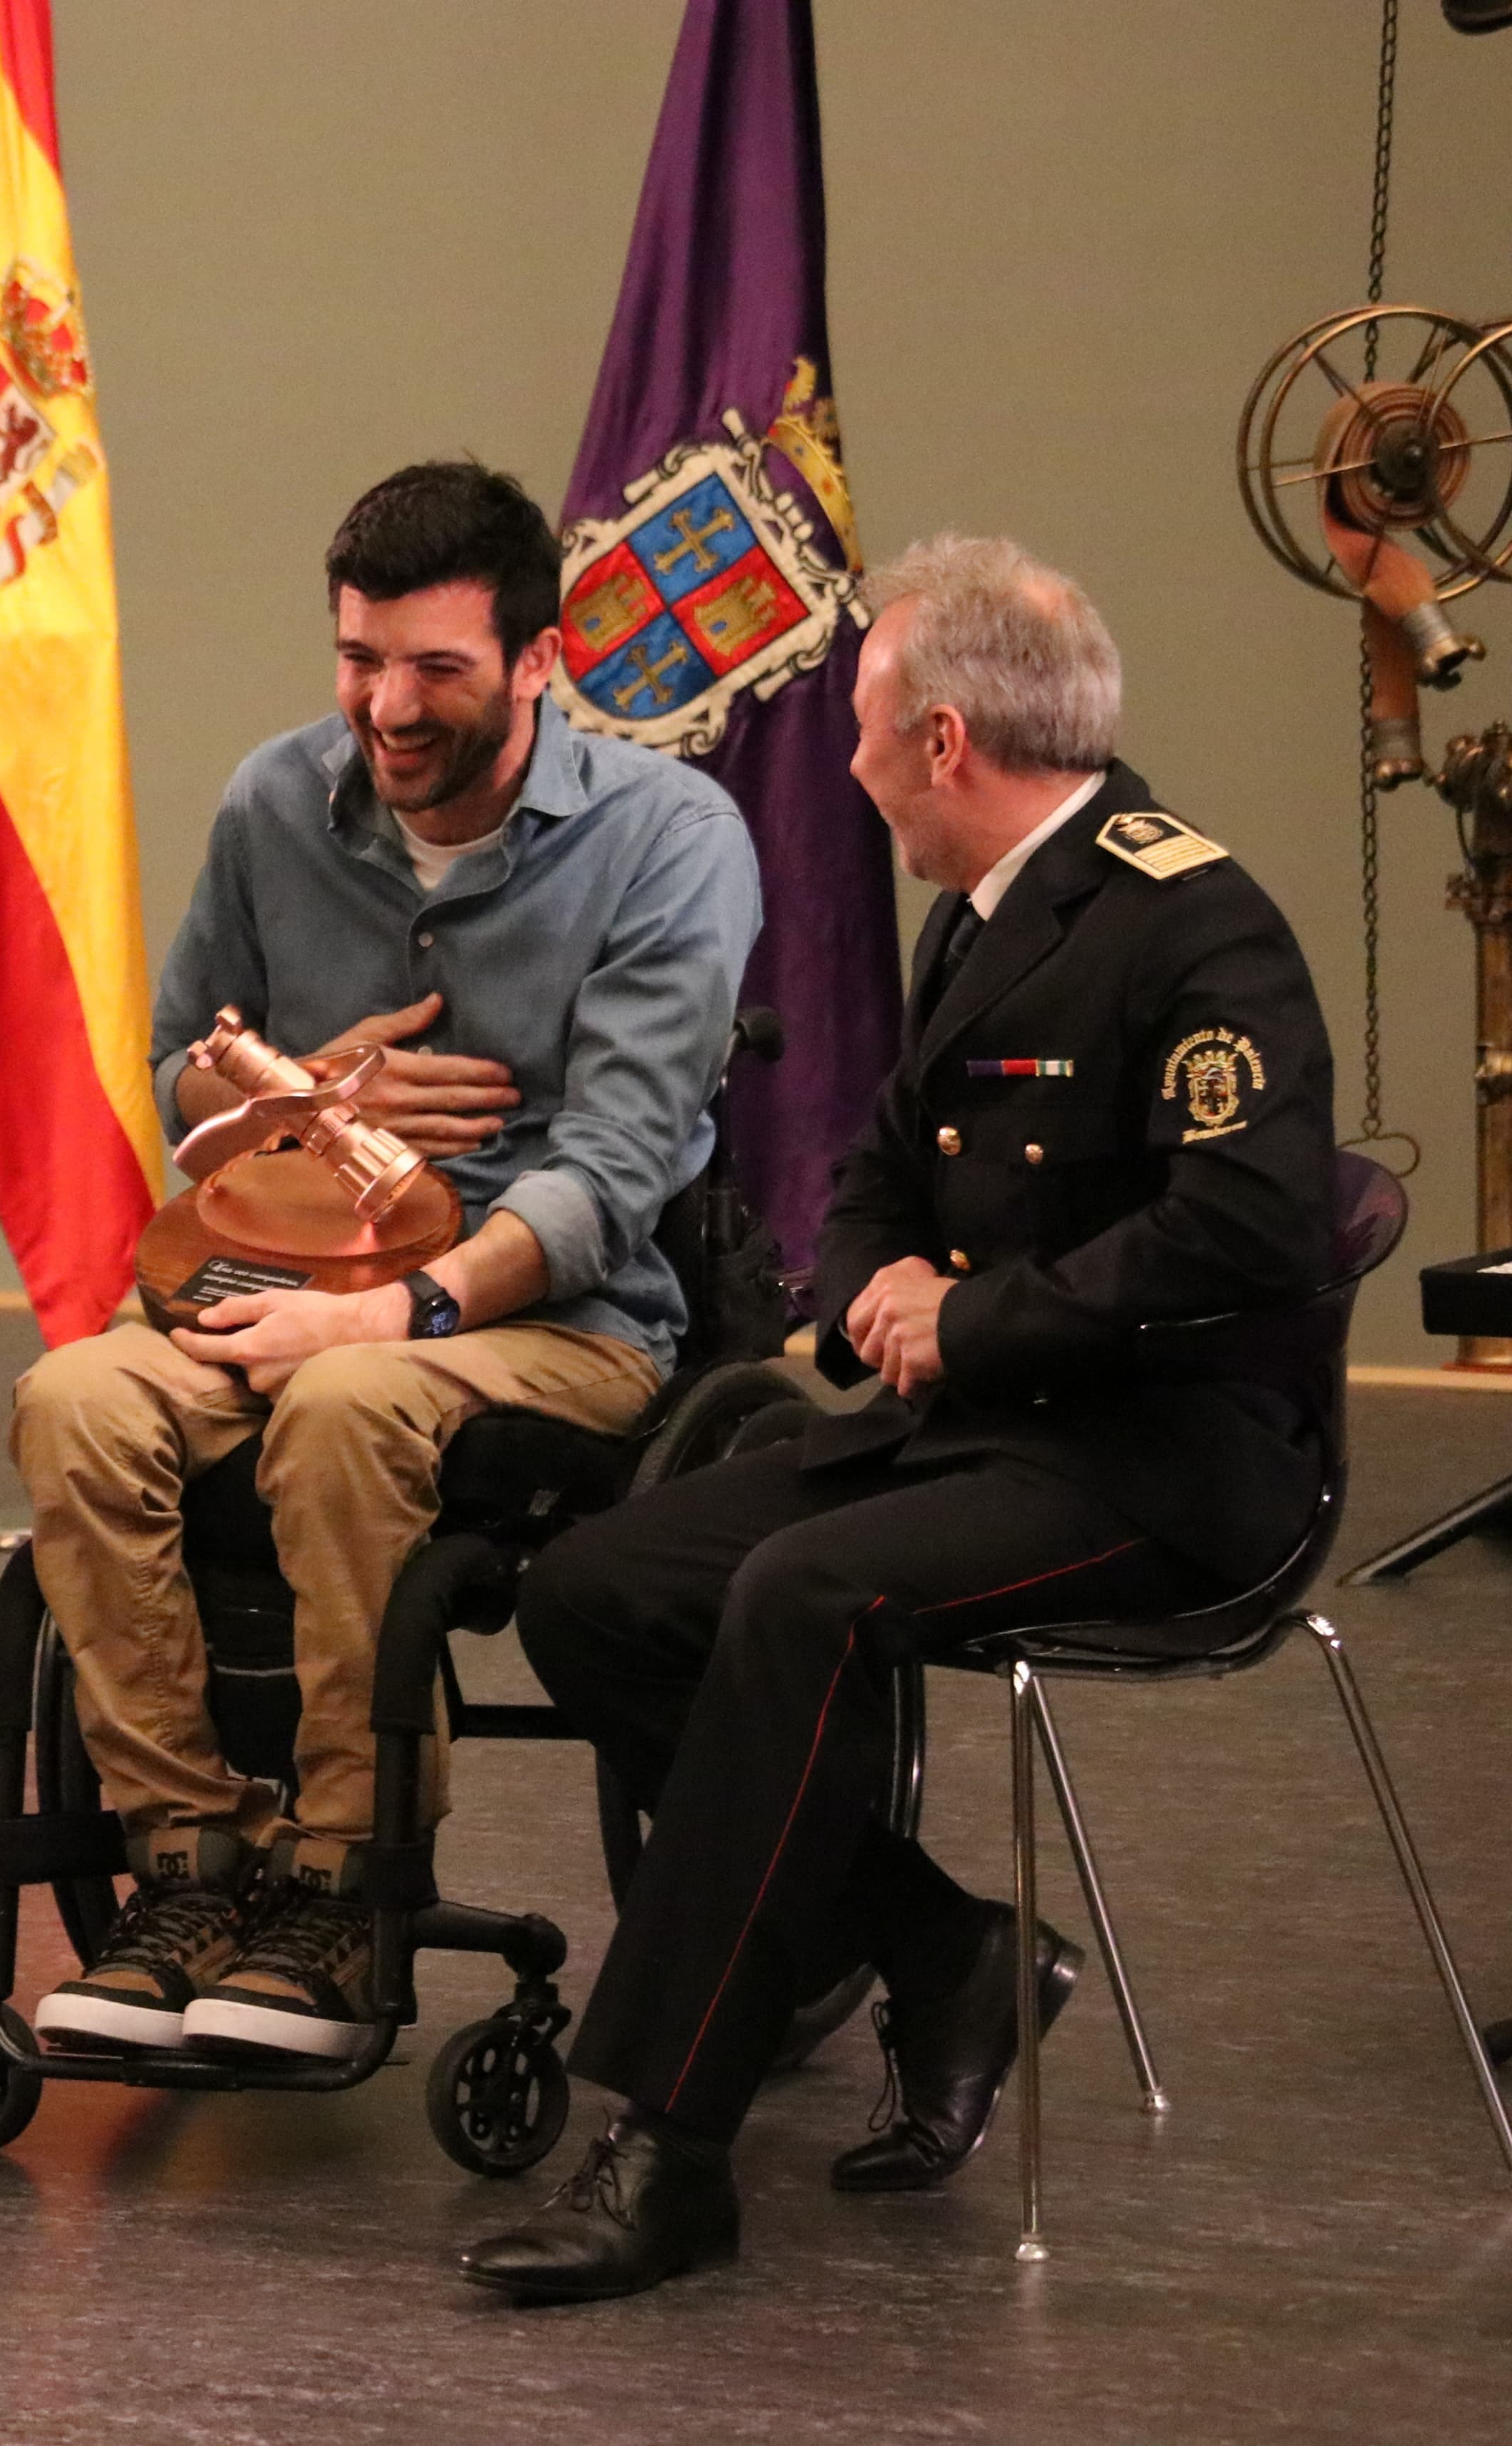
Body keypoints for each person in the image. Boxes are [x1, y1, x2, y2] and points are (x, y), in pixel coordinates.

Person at [464, 535, 1337, 2302]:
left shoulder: (1191, 920)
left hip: (1166, 1456)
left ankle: (668, 2149)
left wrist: (972, 1317)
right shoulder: (989, 911)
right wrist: (878, 1291)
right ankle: (943, 1955)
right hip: (986, 1429)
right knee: (597, 1590)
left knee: (800, 1597)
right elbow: (880, 1163)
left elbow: (1252, 1223)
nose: (848, 766)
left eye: (862, 728)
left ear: (943, 742)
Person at [11, 462, 761, 2060]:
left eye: (436, 669)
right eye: (359, 661)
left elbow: (610, 1181)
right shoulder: (274, 802)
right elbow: (183, 1077)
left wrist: (392, 1309)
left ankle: (347, 1885)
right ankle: (188, 1867)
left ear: (541, 661)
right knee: (75, 1401)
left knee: (348, 1403)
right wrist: (311, 1090)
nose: (388, 707)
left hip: (550, 1314)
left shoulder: (668, 839)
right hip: (281, 1271)